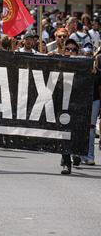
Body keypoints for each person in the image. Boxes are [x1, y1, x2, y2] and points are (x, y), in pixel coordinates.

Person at [58, 39, 81, 175]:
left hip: (79, 105)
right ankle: (67, 163)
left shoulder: (83, 65)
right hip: (63, 103)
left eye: (73, 50)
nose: (70, 52)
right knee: (64, 134)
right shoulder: (60, 62)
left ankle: (76, 153)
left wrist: (93, 70)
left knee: (76, 132)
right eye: (68, 49)